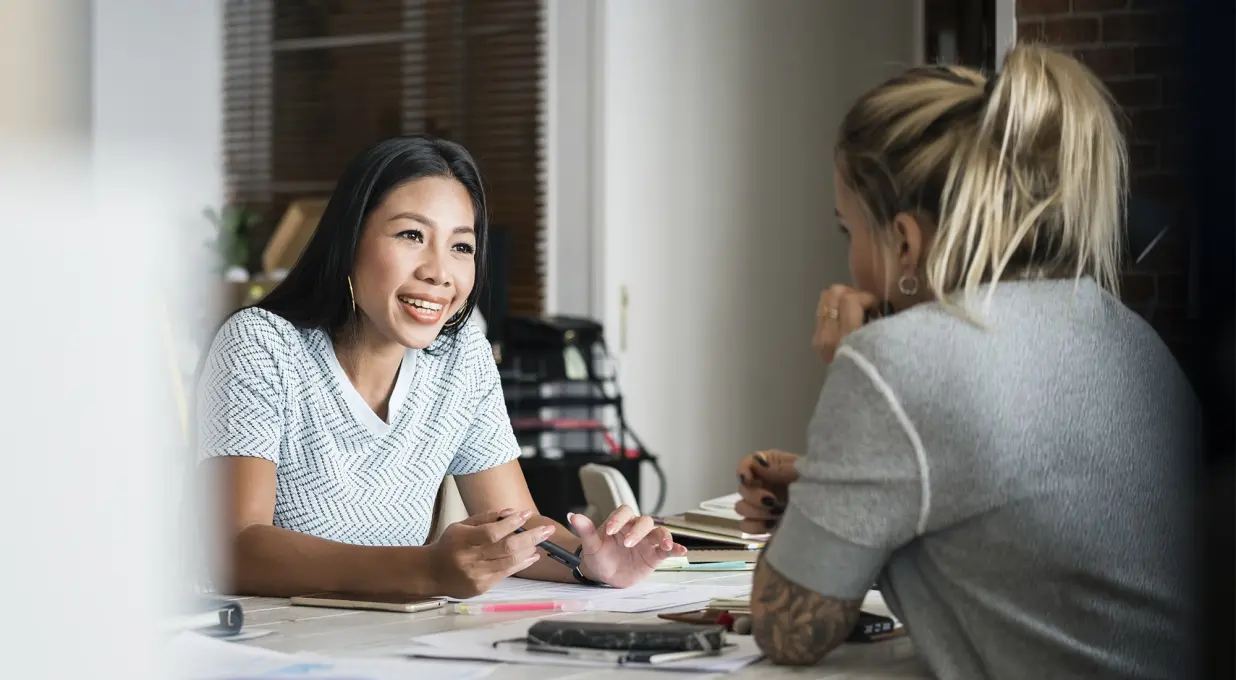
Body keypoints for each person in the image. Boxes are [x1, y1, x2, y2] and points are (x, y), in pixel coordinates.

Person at [734, 45, 1199, 678]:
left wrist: (855, 363)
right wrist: (830, 487)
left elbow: (788, 630)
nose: (847, 262)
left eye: (850, 232)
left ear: (904, 243)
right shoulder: (1127, 335)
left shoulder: (896, 361)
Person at [197, 135, 685, 599]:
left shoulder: (460, 356)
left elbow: (513, 528)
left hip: (400, 644)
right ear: (348, 241)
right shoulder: (261, 343)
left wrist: (588, 561)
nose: (438, 272)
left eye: (461, 246)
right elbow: (235, 551)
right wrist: (427, 569)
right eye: (412, 234)